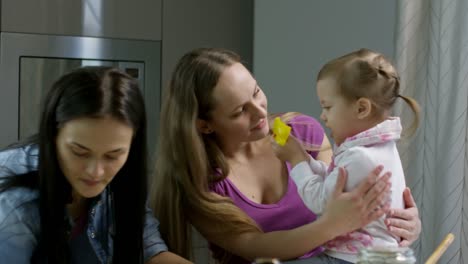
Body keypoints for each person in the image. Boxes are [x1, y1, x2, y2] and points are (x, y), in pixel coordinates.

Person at [150, 48, 421, 264]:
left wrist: (397, 222)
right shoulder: (201, 183)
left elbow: (344, 193)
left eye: (256, 92)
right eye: (239, 111)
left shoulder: (302, 132)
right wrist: (331, 225)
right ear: (204, 125)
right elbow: (256, 248)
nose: (259, 112)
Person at [0, 67, 192, 263]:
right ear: (53, 136)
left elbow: (149, 249)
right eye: (80, 152)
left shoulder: (126, 176)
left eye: (112, 156)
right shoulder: (13, 205)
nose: (96, 172)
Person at [272, 48, 420, 263]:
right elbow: (335, 179)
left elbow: (320, 201)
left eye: (328, 107)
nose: (323, 116)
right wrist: (306, 159)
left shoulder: (361, 156)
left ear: (361, 108)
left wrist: (296, 160)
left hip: (354, 258)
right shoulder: (378, 148)